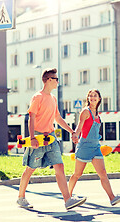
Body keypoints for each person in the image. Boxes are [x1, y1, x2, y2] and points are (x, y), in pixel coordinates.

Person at [17, 68, 87, 210]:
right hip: (38, 137)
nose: (58, 82)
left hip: (51, 137)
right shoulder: (38, 97)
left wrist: (72, 131)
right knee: (30, 169)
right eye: (56, 79)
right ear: (49, 80)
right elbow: (31, 117)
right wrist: (32, 138)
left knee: (59, 166)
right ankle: (21, 197)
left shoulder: (53, 98)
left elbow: (58, 118)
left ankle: (67, 200)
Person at [69, 89, 120, 206]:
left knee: (103, 173)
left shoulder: (97, 115)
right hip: (84, 146)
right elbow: (79, 127)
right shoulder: (85, 111)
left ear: (99, 99)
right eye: (90, 96)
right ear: (88, 99)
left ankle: (112, 198)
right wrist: (75, 135)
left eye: (95, 96)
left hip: (95, 147)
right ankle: (68, 197)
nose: (93, 98)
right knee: (77, 174)